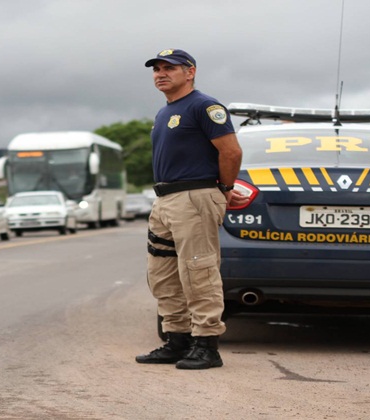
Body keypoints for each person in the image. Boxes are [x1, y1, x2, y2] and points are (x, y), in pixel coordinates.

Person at [134, 49, 248, 370]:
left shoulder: (204, 106)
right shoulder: (163, 112)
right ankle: (177, 339)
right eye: (156, 69)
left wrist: (223, 189)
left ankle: (207, 345)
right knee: (163, 272)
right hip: (166, 200)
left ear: (190, 72)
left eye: (169, 68)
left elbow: (231, 152)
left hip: (194, 196)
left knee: (199, 270)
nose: (160, 73)